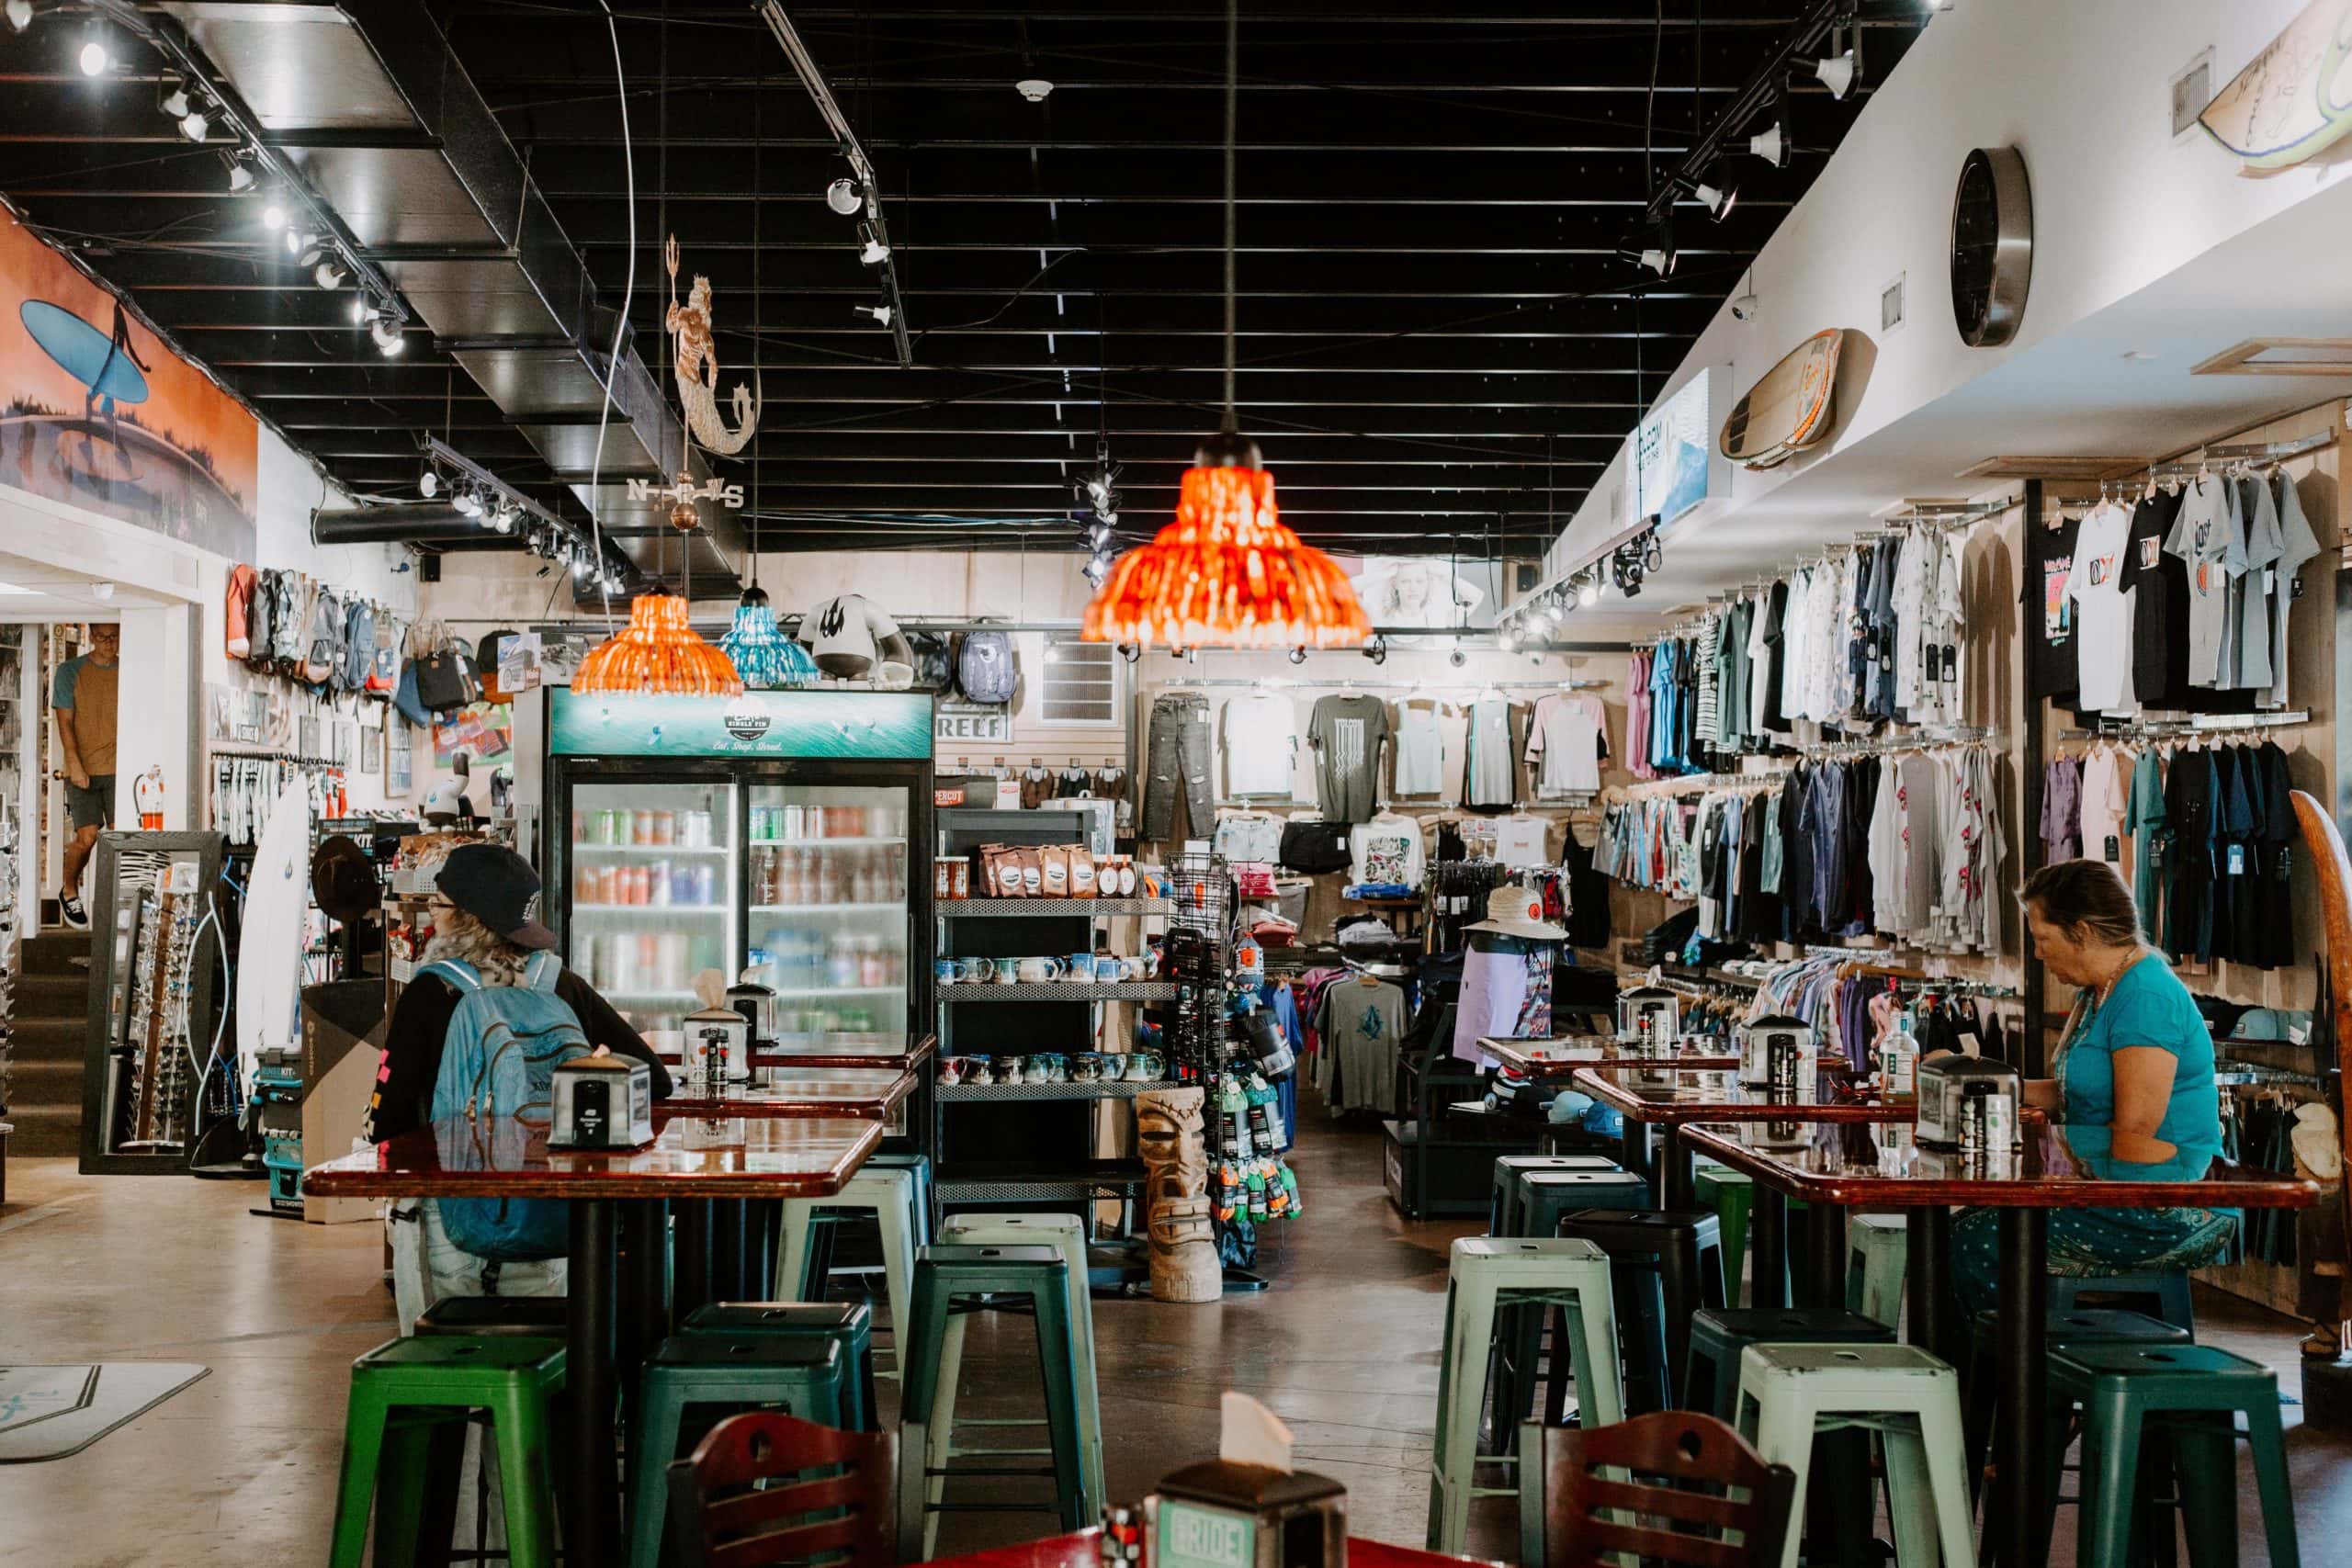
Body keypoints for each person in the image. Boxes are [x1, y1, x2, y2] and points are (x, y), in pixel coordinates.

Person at [368, 842, 672, 1313]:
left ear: (466, 917)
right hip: (553, 1219)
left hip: (453, 1222)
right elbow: (654, 1081)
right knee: (547, 1365)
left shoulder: (431, 992)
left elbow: (388, 1126)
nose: (431, 915)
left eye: (438, 904)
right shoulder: (560, 984)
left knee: (449, 1368)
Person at [1949, 859, 2233, 1313]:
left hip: (2163, 1204)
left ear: (2080, 932)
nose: (2038, 953)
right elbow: (2067, 1096)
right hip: (2114, 1187)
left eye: (2043, 939)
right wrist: (1969, 1077)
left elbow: (2135, 1128)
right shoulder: (2097, 992)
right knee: (1965, 1225)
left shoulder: (2145, 996)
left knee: (1977, 1240)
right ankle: (1989, 1373)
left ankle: (2019, 1377)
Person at [51, 622, 119, 930]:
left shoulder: (127, 670)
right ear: (92, 637)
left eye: (114, 637)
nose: (108, 643)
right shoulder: (70, 671)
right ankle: (69, 888)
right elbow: (64, 722)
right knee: (87, 836)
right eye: (102, 637)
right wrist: (73, 763)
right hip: (83, 767)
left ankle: (116, 902)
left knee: (120, 837)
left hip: (120, 767)